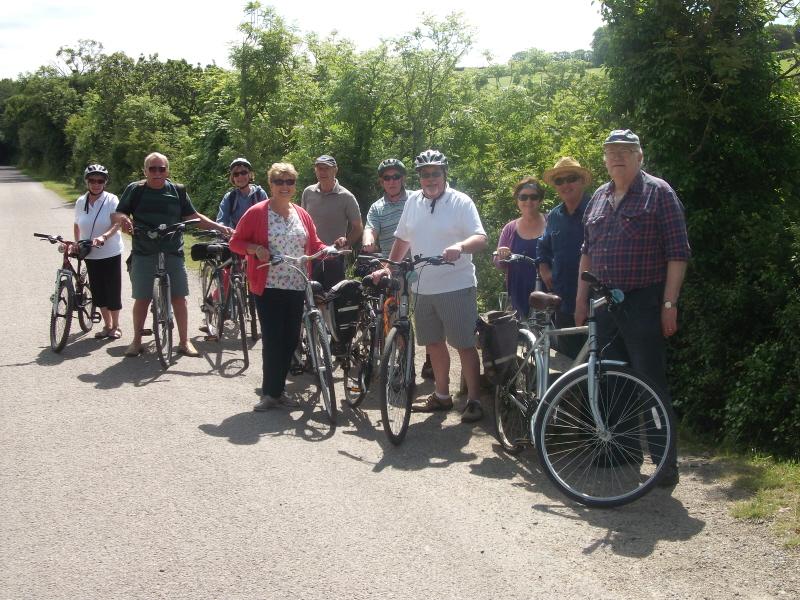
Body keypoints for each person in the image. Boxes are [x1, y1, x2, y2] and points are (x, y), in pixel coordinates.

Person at [575, 129, 690, 487]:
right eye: (611, 152)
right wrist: (581, 299)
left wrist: (669, 304)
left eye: (625, 151)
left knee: (649, 382)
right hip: (606, 302)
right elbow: (587, 252)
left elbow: (678, 253)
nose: (617, 157)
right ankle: (622, 451)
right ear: (605, 160)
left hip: (644, 300)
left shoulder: (659, 193)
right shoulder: (598, 197)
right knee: (612, 379)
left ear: (640, 157)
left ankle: (664, 464)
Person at [374, 149, 488, 423]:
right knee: (434, 344)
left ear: (444, 174)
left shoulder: (461, 201)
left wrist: (460, 246)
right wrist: (390, 267)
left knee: (463, 344)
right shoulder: (413, 201)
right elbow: (402, 239)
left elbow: (481, 238)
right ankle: (442, 395)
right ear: (420, 178)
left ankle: (473, 400)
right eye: (425, 174)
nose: (430, 179)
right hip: (422, 287)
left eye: (435, 173)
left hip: (456, 285)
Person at [229, 162, 330, 411]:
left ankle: (278, 389)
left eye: (290, 182)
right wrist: (255, 249)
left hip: (297, 283)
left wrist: (327, 249)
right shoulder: (257, 212)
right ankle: (270, 393)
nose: (285, 186)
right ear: (270, 184)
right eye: (279, 182)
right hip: (269, 284)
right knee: (274, 339)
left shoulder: (301, 214)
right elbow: (235, 242)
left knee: (290, 339)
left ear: (295, 185)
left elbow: (314, 244)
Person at [112, 152, 233, 358]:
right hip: (144, 250)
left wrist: (219, 227)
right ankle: (136, 341)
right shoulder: (135, 190)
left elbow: (193, 217)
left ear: (167, 171)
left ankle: (184, 342)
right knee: (142, 298)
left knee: (179, 298)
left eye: (161, 168)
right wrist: (124, 219)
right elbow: (118, 213)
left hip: (172, 250)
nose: (157, 172)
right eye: (152, 168)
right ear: (145, 171)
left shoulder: (177, 191)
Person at [362, 158, 434, 379]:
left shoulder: (416, 199)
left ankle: (431, 359)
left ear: (403, 179)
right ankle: (402, 358)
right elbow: (370, 228)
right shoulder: (377, 207)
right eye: (387, 178)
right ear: (381, 181)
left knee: (425, 314)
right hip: (391, 266)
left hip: (420, 265)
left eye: (396, 177)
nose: (391, 181)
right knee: (394, 315)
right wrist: (367, 241)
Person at [538, 156, 592, 359]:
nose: (565, 184)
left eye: (571, 178)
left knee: (595, 363)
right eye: (559, 181)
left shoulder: (596, 210)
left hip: (593, 300)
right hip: (563, 300)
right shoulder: (554, 216)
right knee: (568, 360)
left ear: (582, 181)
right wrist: (544, 268)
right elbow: (542, 247)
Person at [74, 164, 124, 340]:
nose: (96, 184)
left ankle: (116, 326)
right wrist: (77, 243)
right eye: (93, 180)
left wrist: (104, 237)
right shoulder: (81, 201)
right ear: (87, 181)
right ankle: (107, 325)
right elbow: (77, 224)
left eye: (100, 181)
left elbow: (117, 223)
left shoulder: (111, 199)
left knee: (112, 289)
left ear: (105, 182)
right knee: (98, 290)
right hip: (90, 253)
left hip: (110, 251)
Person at [300, 155, 361, 290]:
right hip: (311, 257)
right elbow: (301, 223)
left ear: (335, 170)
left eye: (326, 168)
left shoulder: (346, 197)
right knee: (312, 300)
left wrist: (346, 243)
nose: (322, 172)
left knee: (333, 301)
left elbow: (358, 227)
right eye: (319, 168)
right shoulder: (308, 193)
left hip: (334, 258)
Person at [494, 177, 547, 318]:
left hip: (547, 288)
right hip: (518, 289)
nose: (528, 201)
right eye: (523, 197)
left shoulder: (551, 222)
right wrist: (502, 255)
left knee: (549, 331)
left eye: (533, 197)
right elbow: (498, 263)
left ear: (540, 200)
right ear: (517, 200)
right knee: (523, 332)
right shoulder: (510, 228)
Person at [216, 157, 268, 228]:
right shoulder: (230, 197)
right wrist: (222, 228)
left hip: (256, 236)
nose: (240, 176)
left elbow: (267, 219)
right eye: (236, 174)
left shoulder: (260, 194)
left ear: (249, 175)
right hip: (234, 236)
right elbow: (222, 220)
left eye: (243, 173)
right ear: (233, 178)